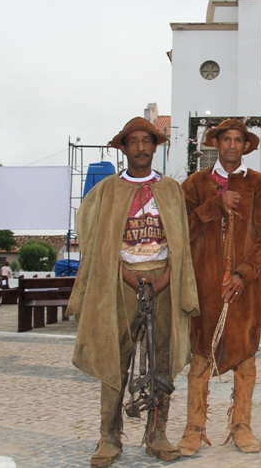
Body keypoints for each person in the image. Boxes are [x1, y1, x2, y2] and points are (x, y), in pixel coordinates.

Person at [66, 117, 200, 467]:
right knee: (115, 354)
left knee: (162, 356)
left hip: (163, 281)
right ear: (123, 148)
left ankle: (157, 433)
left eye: (147, 141)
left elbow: (181, 241)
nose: (141, 147)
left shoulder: (171, 190)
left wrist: (167, 277)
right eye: (134, 141)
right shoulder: (107, 190)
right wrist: (122, 272)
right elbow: (93, 238)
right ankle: (109, 435)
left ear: (155, 147)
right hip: (118, 280)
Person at [179, 118, 261, 456]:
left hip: (244, 287)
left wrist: (245, 273)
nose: (233, 145)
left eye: (239, 140)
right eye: (227, 140)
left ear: (245, 146)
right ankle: (194, 429)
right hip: (204, 283)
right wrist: (214, 206)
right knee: (200, 356)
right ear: (216, 144)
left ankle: (241, 426)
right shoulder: (194, 185)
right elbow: (182, 230)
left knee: (245, 356)